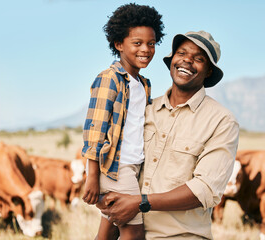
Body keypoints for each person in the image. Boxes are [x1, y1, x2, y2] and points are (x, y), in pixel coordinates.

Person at [98, 30, 240, 239]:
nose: (187, 61)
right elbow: (122, 168)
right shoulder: (144, 109)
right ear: (172, 59)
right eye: (181, 53)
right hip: (128, 233)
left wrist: (141, 203)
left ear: (208, 71)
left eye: (199, 58)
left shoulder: (222, 121)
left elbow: (205, 189)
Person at [81, 3, 165, 240]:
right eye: (137, 43)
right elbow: (94, 129)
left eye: (151, 43)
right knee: (135, 233)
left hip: (134, 166)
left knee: (108, 232)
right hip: (116, 168)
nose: (146, 49)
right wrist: (92, 176)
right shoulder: (109, 79)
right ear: (119, 44)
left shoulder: (143, 84)